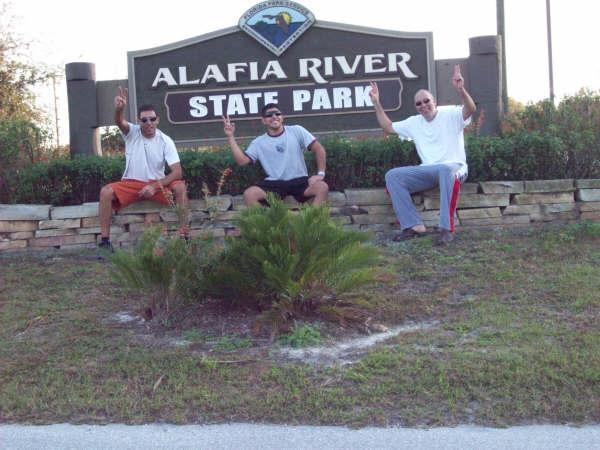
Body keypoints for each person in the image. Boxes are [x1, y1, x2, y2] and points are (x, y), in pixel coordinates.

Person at [369, 65, 476, 244]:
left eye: (426, 101)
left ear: (434, 101)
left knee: (444, 170)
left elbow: (470, 109)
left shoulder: (451, 114)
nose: (423, 105)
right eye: (419, 103)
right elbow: (387, 127)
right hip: (428, 171)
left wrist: (460, 89)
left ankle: (446, 229)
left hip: (454, 167)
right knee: (392, 176)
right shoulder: (414, 123)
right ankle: (413, 226)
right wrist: (376, 103)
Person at [97, 86, 189, 250]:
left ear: (157, 120)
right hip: (132, 184)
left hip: (157, 185)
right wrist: (119, 109)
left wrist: (154, 186)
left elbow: (177, 171)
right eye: (144, 120)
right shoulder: (132, 132)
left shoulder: (166, 140)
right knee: (105, 192)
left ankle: (184, 236)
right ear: (139, 121)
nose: (148, 123)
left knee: (181, 187)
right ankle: (105, 242)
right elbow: (119, 121)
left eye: (152, 119)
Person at [222, 103, 329, 206]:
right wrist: (230, 136)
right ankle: (266, 225)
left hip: (300, 181)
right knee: (249, 194)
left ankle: (311, 222)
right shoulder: (258, 142)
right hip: (275, 184)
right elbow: (242, 161)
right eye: (269, 115)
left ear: (282, 117)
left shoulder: (297, 131)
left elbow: (319, 149)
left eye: (277, 114)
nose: (274, 117)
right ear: (263, 121)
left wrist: (320, 174)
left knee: (322, 187)